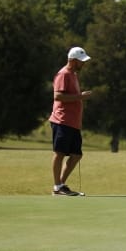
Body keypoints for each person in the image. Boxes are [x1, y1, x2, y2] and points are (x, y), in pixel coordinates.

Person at [49, 47, 92, 196]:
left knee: (76, 155)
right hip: (61, 120)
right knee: (59, 153)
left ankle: (60, 184)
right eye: (81, 62)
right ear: (73, 61)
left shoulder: (73, 75)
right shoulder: (64, 74)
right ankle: (57, 186)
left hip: (72, 122)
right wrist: (81, 97)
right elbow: (58, 96)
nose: (83, 65)